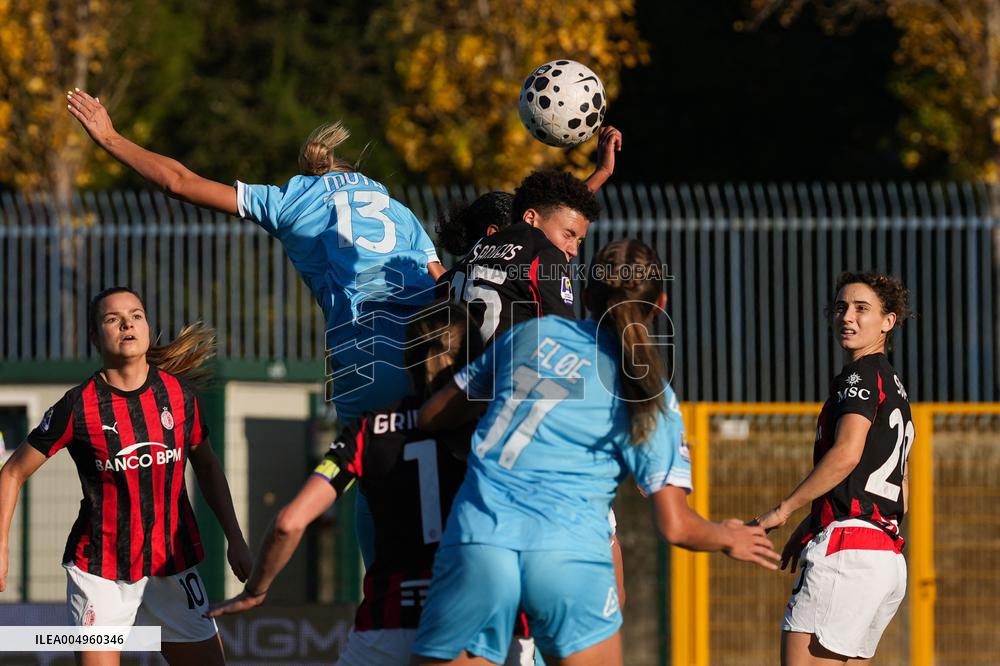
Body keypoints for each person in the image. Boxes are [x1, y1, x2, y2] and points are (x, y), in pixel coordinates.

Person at [66, 88, 444, 569]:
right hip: (433, 357)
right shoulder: (400, 210)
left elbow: (179, 183)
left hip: (364, 355)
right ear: (357, 174)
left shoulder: (293, 198)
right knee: (444, 483)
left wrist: (111, 138)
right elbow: (443, 289)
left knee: (373, 478)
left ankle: (384, 611)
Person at [412, 239, 780, 666]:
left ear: (586, 296)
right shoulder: (649, 393)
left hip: (481, 538)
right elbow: (677, 527)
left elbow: (432, 416)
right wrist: (728, 536)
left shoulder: (529, 334)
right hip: (569, 553)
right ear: (660, 305)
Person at [205, 301, 507, 665]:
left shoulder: (368, 429)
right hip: (471, 618)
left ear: (405, 358)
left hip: (384, 626)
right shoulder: (495, 426)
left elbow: (288, 524)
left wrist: (256, 589)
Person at [0, 287, 252, 666]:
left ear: (148, 327)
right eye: (112, 319)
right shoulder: (78, 405)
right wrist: (0, 549)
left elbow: (208, 466)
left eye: (136, 315)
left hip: (172, 565)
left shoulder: (179, 397)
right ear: (94, 337)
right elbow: (12, 473)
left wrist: (236, 538)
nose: (127, 324)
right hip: (100, 572)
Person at [754, 272, 913, 666]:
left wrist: (785, 509)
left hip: (850, 553)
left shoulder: (859, 375)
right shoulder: (895, 387)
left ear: (888, 321)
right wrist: (817, 520)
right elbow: (901, 491)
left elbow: (847, 454)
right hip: (886, 559)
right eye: (841, 307)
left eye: (862, 309)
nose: (848, 316)